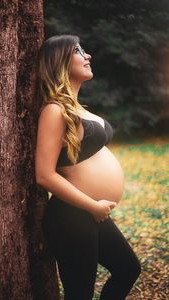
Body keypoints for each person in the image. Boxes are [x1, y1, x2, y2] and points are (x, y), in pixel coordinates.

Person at [35, 35, 141, 300]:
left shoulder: (76, 107)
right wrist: (92, 206)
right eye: (78, 51)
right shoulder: (54, 110)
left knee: (128, 268)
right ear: (59, 60)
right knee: (79, 294)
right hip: (71, 214)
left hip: (91, 213)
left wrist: (95, 208)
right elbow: (44, 175)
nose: (88, 56)